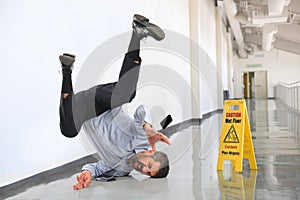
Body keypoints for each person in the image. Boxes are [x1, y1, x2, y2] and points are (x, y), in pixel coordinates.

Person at [58, 14, 171, 190]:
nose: (142, 169)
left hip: (81, 109)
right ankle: (138, 33)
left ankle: (66, 70)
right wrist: (148, 126)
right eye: (148, 166)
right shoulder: (141, 137)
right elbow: (142, 110)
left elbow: (96, 167)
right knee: (125, 95)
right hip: (101, 102)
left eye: (147, 173)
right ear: (151, 152)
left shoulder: (120, 170)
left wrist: (86, 173)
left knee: (69, 131)